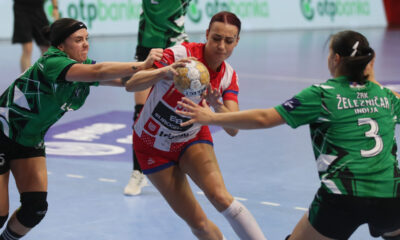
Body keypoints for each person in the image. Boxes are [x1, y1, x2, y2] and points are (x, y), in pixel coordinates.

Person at [177, 30, 400, 240]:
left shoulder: (323, 95)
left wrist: (211, 117)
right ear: (369, 62)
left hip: (343, 196)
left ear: (336, 59)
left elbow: (264, 118)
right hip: (391, 193)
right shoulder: (388, 96)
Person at [0, 18, 163, 240]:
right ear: (61, 46)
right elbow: (99, 72)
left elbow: (126, 80)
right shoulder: (52, 62)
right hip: (2, 133)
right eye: (78, 40)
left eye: (87, 39)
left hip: (29, 140)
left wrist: (164, 74)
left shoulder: (81, 71)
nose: (86, 44)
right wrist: (143, 63)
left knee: (34, 209)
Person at [125, 11, 267, 240]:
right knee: (199, 224)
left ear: (237, 42)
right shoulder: (181, 54)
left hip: (191, 139)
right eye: (216, 38)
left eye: (229, 41)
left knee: (221, 197)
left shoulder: (228, 77)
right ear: (207, 34)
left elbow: (233, 127)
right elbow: (131, 84)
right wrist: (164, 71)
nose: (221, 46)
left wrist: (215, 107)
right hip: (151, 147)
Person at [124, 0, 192, 196]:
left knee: (179, 110)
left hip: (176, 48)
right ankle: (138, 171)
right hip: (147, 48)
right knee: (140, 112)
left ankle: (180, 167)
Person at [12, 0, 60, 72]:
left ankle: (42, 75)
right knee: (27, 49)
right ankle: (26, 79)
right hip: (21, 9)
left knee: (46, 48)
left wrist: (55, 8)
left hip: (39, 10)